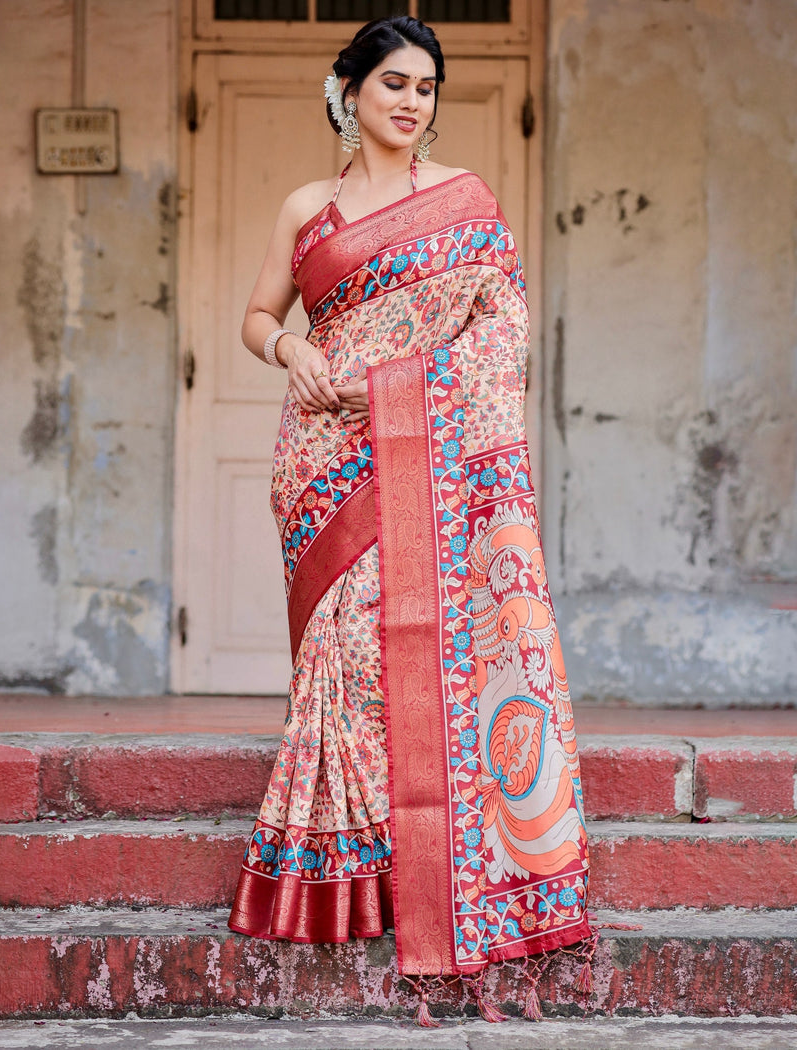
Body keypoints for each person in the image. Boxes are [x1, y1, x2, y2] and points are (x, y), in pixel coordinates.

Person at [228, 15, 593, 1024]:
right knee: (342, 662)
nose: (410, 103)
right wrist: (290, 353)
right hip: (323, 461)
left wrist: (391, 383)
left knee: (420, 661)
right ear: (347, 89)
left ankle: (422, 866)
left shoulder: (466, 203)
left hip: (424, 451)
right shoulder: (309, 207)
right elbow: (259, 315)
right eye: (392, 82)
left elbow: (499, 331)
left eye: (425, 88)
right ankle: (343, 878)